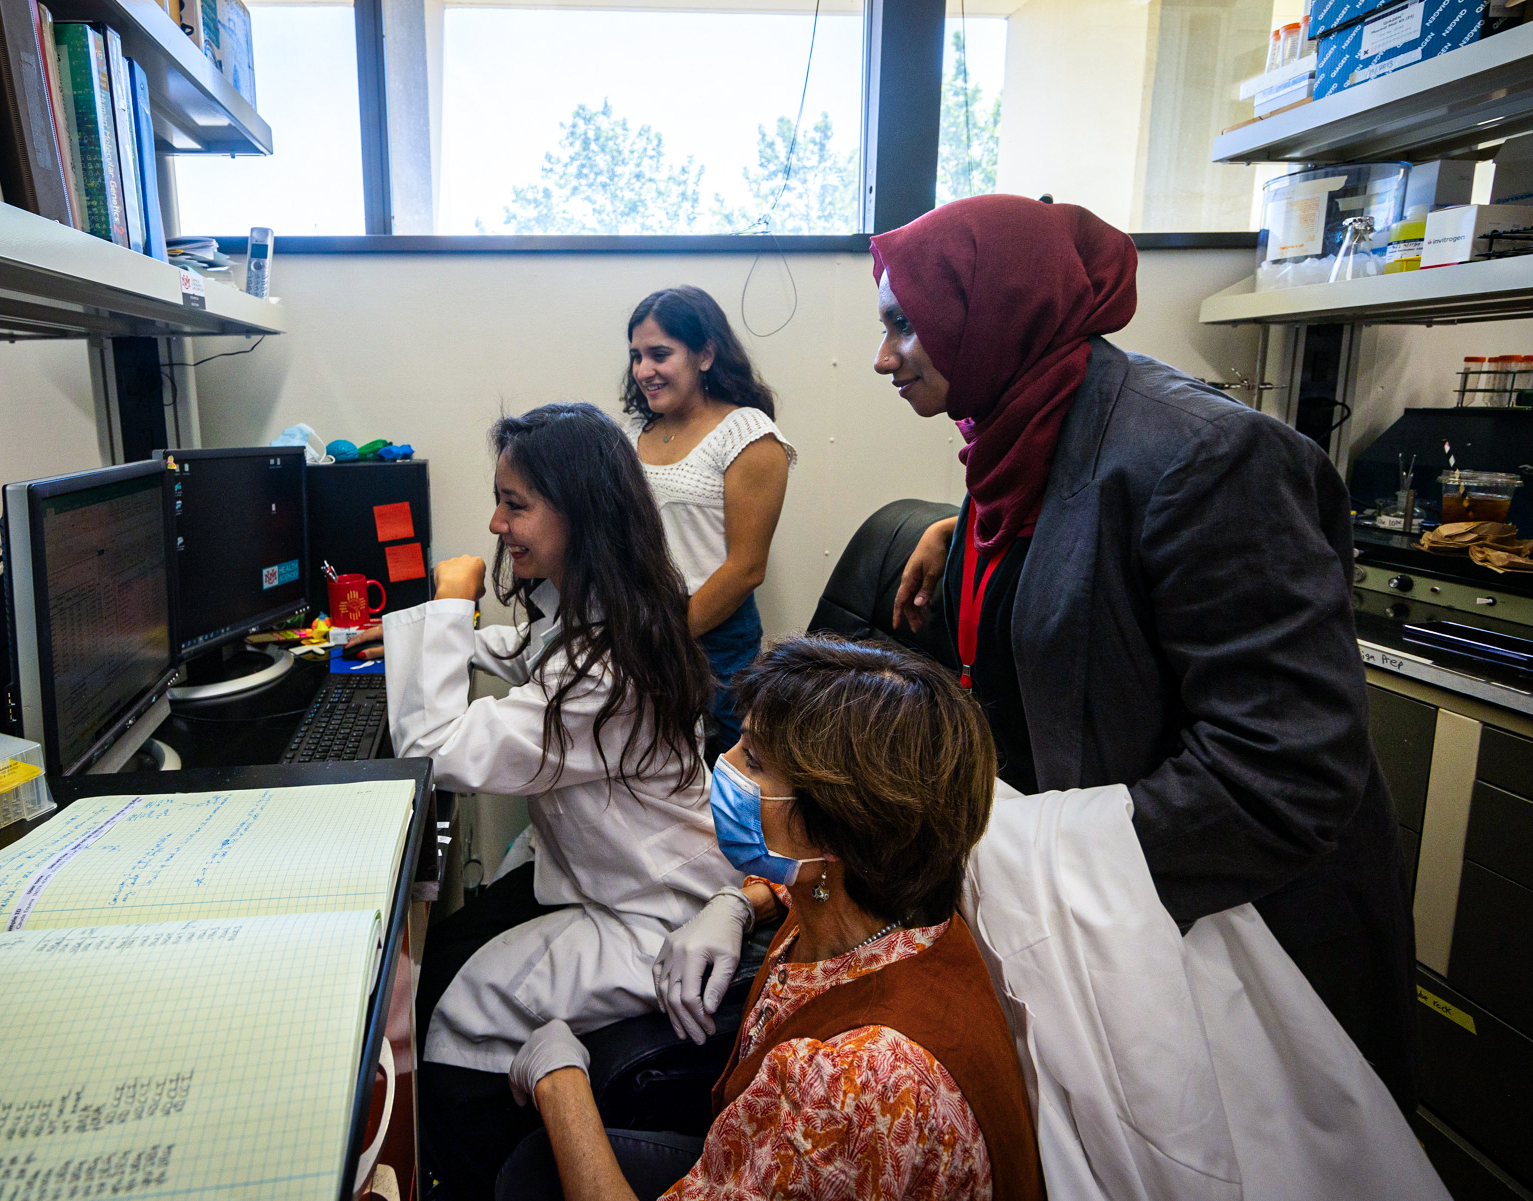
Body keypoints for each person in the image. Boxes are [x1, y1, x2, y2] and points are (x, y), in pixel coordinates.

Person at [871, 194, 1417, 1109]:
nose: (886, 356)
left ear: (996, 305)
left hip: (1246, 942)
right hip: (1134, 941)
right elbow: (1084, 543)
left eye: (903, 323)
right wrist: (960, 526)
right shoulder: (1021, 439)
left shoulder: (1210, 455)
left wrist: (1029, 854)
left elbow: (1284, 770)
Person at [497, 636, 1045, 1201]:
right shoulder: (878, 891)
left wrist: (558, 1080)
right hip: (764, 1141)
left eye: (754, 761)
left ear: (837, 825)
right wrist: (740, 903)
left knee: (533, 1169)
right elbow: (801, 884)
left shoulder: (858, 1084)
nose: (725, 767)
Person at [374, 403, 741, 1199]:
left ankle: (480, 1172)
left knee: (448, 1013)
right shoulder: (616, 606)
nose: (498, 522)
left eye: (516, 503)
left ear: (579, 513)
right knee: (442, 953)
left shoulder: (610, 677)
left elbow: (436, 753)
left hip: (650, 919)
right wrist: (451, 639)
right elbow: (535, 650)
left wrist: (447, 598)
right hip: (605, 882)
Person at [622, 285, 795, 758]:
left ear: (705, 355)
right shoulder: (632, 434)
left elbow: (746, 568)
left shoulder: (748, 433)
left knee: (723, 771)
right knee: (652, 768)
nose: (644, 371)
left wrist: (669, 635)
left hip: (713, 635)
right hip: (642, 625)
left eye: (660, 354)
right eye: (637, 356)